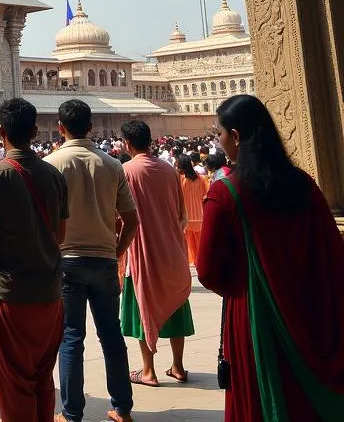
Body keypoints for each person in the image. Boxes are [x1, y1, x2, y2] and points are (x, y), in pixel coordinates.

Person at [197, 94, 344, 421]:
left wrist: (248, 282)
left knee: (263, 399)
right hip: (310, 308)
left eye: (217, 133)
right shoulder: (302, 184)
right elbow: (331, 249)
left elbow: (207, 270)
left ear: (235, 136)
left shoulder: (225, 193)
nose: (217, 141)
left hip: (253, 316)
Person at [0, 98, 68, 422]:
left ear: (1, 133)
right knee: (42, 375)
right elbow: (61, 235)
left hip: (11, 292)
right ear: (35, 131)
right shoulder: (54, 175)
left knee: (14, 381)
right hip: (50, 291)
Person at [45, 99, 138, 422]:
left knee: (71, 337)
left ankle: (72, 413)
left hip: (67, 260)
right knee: (111, 335)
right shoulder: (112, 165)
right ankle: (123, 408)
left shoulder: (52, 164)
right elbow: (131, 219)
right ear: (91, 127)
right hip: (103, 259)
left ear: (60, 127)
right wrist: (117, 250)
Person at [118, 120, 193, 387]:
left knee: (142, 311)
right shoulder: (170, 171)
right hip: (172, 252)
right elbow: (180, 214)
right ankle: (178, 366)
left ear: (127, 144)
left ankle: (148, 370)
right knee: (175, 308)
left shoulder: (125, 171)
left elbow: (120, 216)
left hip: (142, 255)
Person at [176, 153, 207, 267]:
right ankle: (201, 266)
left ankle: (196, 266)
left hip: (187, 219)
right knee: (200, 248)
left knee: (191, 249)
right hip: (200, 217)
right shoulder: (201, 178)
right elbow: (206, 196)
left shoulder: (180, 180)